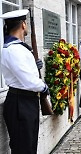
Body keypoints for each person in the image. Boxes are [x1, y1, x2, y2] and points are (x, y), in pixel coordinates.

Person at [0, 9, 49, 154]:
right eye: (26, 23)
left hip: (26, 102)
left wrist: (35, 65)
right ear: (23, 24)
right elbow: (29, 81)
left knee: (29, 146)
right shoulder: (12, 49)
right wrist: (44, 87)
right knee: (23, 148)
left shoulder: (18, 48)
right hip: (20, 103)